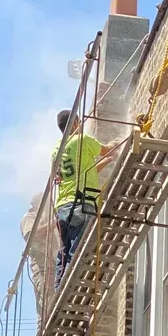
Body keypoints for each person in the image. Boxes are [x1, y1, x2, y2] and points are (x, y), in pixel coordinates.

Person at [52, 110, 122, 289]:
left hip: (62, 207)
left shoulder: (57, 150)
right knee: (79, 249)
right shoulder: (82, 140)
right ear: (75, 123)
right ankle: (69, 283)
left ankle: (59, 286)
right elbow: (107, 149)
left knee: (66, 250)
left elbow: (83, 173)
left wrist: (107, 161)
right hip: (80, 205)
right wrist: (116, 145)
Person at [20, 193, 58, 331]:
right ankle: (45, 335)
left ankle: (53, 328)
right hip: (42, 266)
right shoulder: (29, 218)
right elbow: (33, 236)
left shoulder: (49, 216)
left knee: (56, 300)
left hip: (56, 264)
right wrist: (54, 222)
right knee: (47, 302)